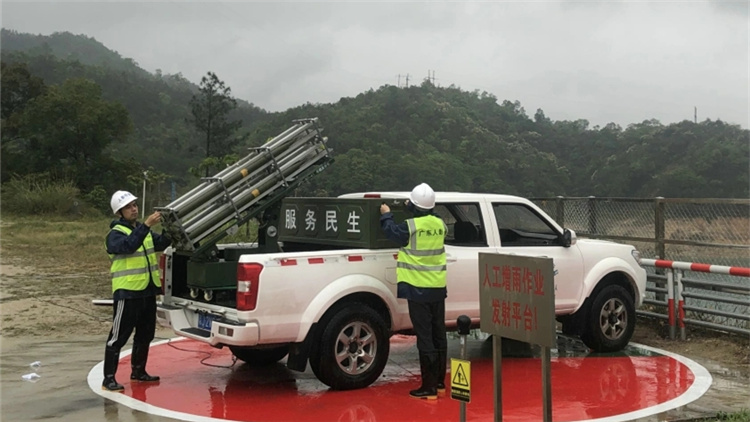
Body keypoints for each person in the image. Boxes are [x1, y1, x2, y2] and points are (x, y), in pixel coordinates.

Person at [380, 183, 448, 400]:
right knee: (439, 334)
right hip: (437, 286)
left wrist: (386, 215)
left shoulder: (410, 226)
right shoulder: (440, 224)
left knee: (425, 336)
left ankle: (427, 388)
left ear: (415, 206)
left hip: (418, 288)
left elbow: (392, 233)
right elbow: (427, 219)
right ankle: (438, 383)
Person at [102, 190, 171, 392]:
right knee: (118, 337)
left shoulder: (143, 230)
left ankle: (139, 371)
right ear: (119, 212)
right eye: (129, 207)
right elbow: (129, 246)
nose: (134, 209)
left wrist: (170, 228)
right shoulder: (114, 235)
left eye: (134, 205)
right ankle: (108, 378)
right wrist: (147, 225)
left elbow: (162, 243)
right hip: (127, 292)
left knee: (145, 334)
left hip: (147, 291)